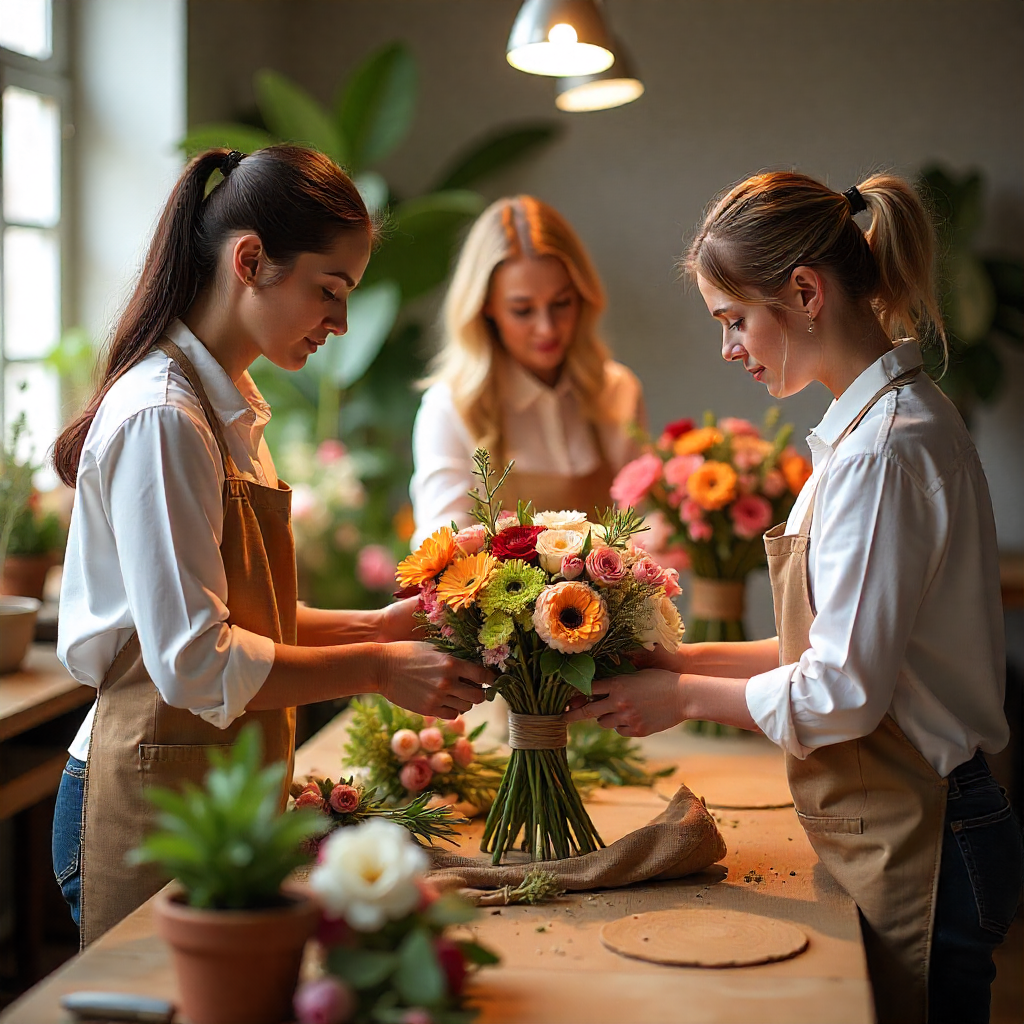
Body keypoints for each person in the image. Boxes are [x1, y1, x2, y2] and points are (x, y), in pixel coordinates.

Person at [565, 172, 1022, 1024]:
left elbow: (844, 692)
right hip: (910, 815)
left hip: (933, 832)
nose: (730, 348)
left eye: (734, 320)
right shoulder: (866, 432)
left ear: (805, 292)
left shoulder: (885, 452)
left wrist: (680, 695)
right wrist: (680, 657)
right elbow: (827, 652)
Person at [50, 146, 490, 946]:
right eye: (330, 290)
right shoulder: (163, 416)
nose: (341, 323)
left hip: (212, 778)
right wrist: (379, 668)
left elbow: (255, 616)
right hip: (147, 787)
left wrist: (378, 626)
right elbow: (195, 659)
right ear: (250, 260)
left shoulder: (230, 408)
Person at [410, 195, 645, 545]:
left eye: (561, 303)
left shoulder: (617, 389)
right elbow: (439, 548)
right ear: (485, 307)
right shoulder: (450, 406)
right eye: (523, 310)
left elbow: (644, 526)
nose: (547, 328)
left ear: (583, 296)